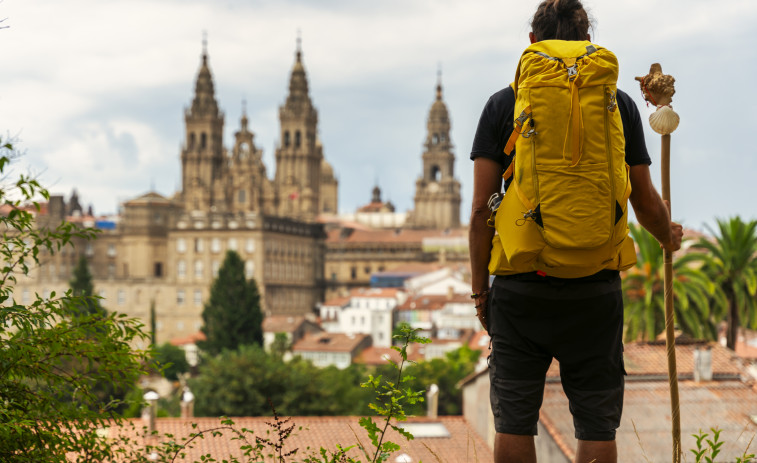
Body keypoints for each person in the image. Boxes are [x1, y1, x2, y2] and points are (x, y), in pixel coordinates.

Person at [467, 1, 684, 462]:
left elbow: (479, 213)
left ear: (532, 44)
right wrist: (668, 236)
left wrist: (480, 294)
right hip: (594, 291)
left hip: (522, 287)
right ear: (588, 43)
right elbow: (644, 201)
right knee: (596, 425)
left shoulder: (503, 104)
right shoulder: (618, 103)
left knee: (514, 420)